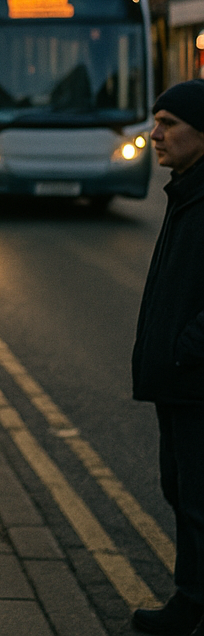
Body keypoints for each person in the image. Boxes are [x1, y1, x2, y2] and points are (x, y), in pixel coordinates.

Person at [131, 78, 204, 636]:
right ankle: (191, 599)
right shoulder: (187, 192)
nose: (154, 135)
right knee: (182, 490)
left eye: (168, 124)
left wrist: (186, 352)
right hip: (181, 380)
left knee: (199, 497)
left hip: (196, 380)